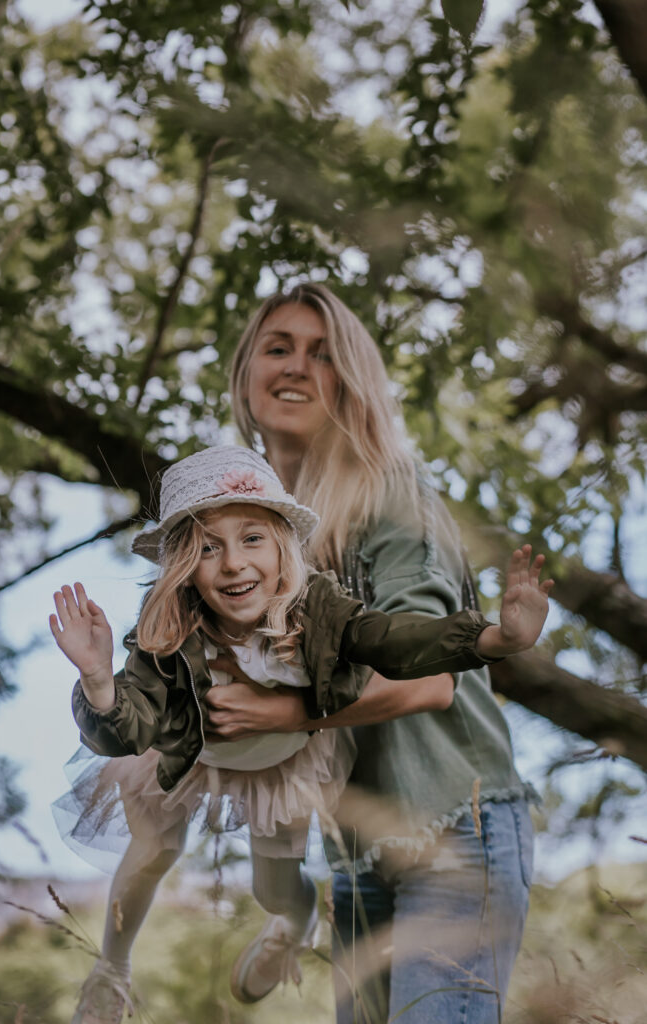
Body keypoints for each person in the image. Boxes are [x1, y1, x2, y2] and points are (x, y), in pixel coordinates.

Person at [49, 445, 551, 1024]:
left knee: (273, 887)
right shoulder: (166, 632)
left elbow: (393, 640)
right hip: (191, 751)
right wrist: (97, 682)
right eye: (209, 548)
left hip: (279, 765)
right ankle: (112, 970)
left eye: (252, 539)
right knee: (153, 846)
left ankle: (293, 922)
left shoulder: (318, 607)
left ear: (284, 546)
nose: (233, 562)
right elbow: (128, 729)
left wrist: (493, 640)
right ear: (185, 565)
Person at [201, 281, 549, 1024]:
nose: (296, 366)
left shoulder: (389, 490)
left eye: (322, 355)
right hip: (356, 855)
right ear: (245, 373)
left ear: (348, 383)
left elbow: (429, 686)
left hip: (454, 829)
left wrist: (279, 713)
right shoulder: (256, 534)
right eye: (278, 348)